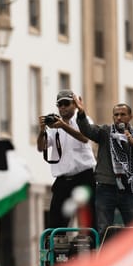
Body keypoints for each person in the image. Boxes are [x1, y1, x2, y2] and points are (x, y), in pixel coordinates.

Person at [74, 96, 133, 237]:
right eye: (116, 115)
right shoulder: (105, 132)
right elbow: (87, 130)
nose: (119, 118)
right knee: (104, 228)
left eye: (123, 114)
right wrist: (81, 113)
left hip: (129, 188)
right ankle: (104, 256)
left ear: (130, 117)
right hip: (106, 187)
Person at [37, 89, 96, 230]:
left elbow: (84, 138)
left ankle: (94, 248)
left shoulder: (83, 120)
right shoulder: (54, 124)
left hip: (84, 177)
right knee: (56, 223)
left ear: (75, 105)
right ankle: (57, 248)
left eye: (66, 103)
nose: (62, 107)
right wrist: (41, 130)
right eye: (60, 104)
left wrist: (63, 126)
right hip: (63, 180)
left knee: (91, 219)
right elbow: (41, 147)